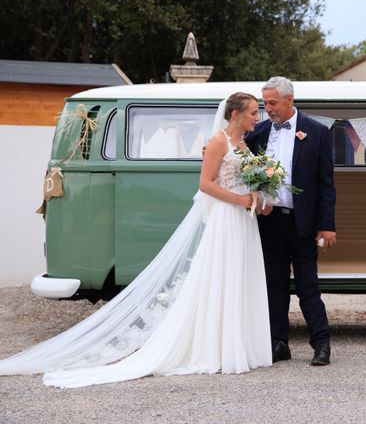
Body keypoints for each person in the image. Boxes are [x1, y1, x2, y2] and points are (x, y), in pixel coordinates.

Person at [0, 92, 272, 388]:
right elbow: (205, 185)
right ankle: (216, 348)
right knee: (220, 277)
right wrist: (240, 199)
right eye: (253, 113)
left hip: (242, 219)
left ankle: (234, 344)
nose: (257, 118)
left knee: (236, 277)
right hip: (225, 217)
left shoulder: (243, 143)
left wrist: (257, 197)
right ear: (235, 114)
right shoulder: (218, 141)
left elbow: (243, 179)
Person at [245, 76, 337, 366]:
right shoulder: (258, 132)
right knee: (275, 284)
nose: (267, 108)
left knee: (308, 285)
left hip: (304, 222)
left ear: (289, 100)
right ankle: (278, 343)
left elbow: (326, 184)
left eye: (272, 103)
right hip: (269, 222)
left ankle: (321, 344)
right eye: (265, 103)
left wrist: (327, 225)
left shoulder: (317, 132)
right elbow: (234, 156)